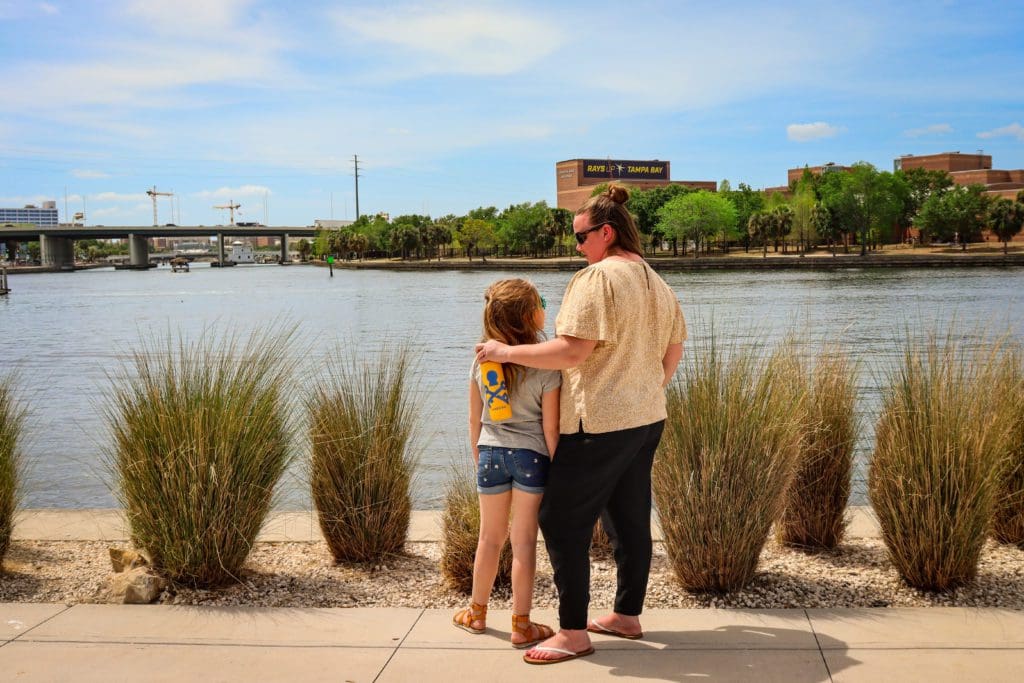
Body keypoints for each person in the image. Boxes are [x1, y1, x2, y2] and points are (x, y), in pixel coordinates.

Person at [475, 184, 686, 665]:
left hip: (599, 423)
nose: (576, 246)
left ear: (606, 232)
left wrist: (505, 351)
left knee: (561, 520)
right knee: (628, 518)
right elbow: (675, 346)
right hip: (647, 417)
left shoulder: (596, 279)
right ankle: (626, 615)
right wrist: (651, 386)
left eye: (580, 237)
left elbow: (571, 350)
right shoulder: (656, 280)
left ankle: (572, 632)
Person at [453, 278, 562, 649]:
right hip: (531, 455)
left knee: (490, 538)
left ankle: (477, 613)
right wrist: (558, 466)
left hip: (490, 452)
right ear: (531, 315)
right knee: (524, 541)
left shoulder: (481, 360)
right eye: (542, 302)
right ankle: (520, 624)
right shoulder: (546, 361)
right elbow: (550, 426)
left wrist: (478, 454)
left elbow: (474, 419)